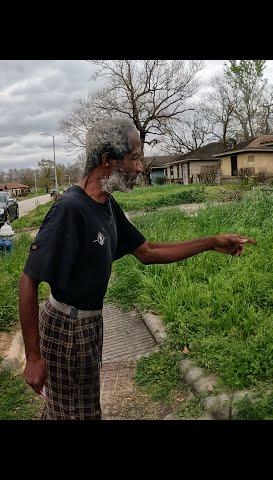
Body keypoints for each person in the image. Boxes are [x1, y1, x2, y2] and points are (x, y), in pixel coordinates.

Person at [18, 118, 256, 420]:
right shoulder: (70, 208)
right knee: (75, 414)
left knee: (71, 409)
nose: (140, 167)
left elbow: (147, 251)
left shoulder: (106, 205)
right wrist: (33, 357)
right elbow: (28, 280)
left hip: (89, 325)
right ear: (108, 161)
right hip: (67, 328)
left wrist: (210, 242)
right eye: (134, 158)